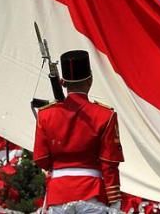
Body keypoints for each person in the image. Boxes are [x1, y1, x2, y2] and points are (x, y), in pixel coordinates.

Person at [33, 50, 124, 212]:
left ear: (63, 82)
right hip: (92, 193)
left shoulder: (45, 114)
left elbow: (42, 159)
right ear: (90, 80)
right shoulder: (105, 115)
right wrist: (114, 200)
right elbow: (109, 163)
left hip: (58, 195)